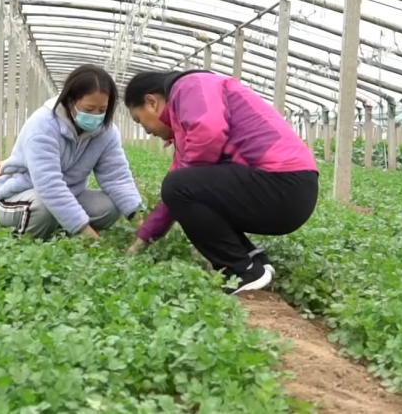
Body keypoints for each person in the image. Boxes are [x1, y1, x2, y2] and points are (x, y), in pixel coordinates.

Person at [124, 69, 319, 294]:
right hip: (291, 188)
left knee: (180, 185)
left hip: (283, 183)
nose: (146, 131)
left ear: (151, 102)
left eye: (139, 121)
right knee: (181, 186)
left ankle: (242, 270)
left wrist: (181, 183)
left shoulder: (190, 84)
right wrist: (142, 239)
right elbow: (175, 196)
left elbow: (209, 131)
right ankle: (253, 260)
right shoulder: (186, 128)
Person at [0, 64, 143, 240]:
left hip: (69, 193)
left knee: (111, 206)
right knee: (44, 207)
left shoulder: (107, 132)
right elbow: (49, 184)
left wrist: (142, 223)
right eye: (89, 109)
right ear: (71, 101)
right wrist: (86, 233)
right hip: (19, 196)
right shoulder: (43, 126)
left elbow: (117, 177)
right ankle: (35, 237)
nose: (96, 116)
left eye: (102, 110)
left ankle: (62, 222)